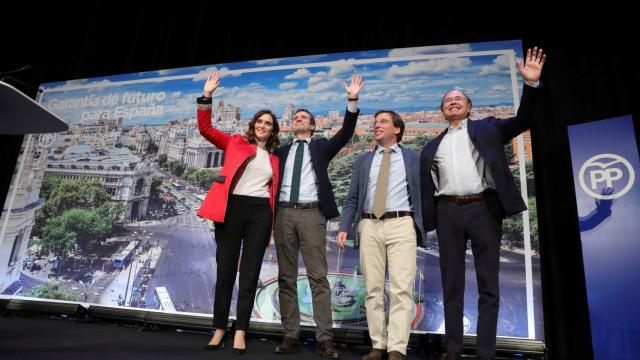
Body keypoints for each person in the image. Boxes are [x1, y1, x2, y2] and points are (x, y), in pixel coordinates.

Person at [420, 47, 546, 360]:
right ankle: (452, 348)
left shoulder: (488, 128)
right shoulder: (432, 146)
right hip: (447, 211)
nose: (453, 101)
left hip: (483, 209)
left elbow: (525, 118)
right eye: (448, 100)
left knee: (488, 284)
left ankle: (486, 353)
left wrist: (531, 85)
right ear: (443, 111)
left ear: (469, 107)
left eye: (458, 98)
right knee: (452, 285)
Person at [272, 75, 364, 359]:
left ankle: (324, 338)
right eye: (295, 117)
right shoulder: (281, 151)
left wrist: (351, 101)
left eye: (304, 117)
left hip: (312, 214)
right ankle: (291, 335)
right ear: (291, 124)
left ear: (312, 125)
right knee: (286, 277)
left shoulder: (321, 146)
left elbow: (346, 133)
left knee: (318, 278)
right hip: (284, 214)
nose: (299, 119)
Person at [197, 71, 280, 355]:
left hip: (259, 213)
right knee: (225, 272)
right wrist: (207, 96)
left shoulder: (274, 159)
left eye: (268, 124)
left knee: (250, 272)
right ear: (252, 125)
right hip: (232, 209)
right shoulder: (234, 143)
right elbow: (206, 130)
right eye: (260, 121)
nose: (263, 126)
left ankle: (241, 331)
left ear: (272, 131)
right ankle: (220, 328)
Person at [337, 110, 425, 360]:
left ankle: (397, 348)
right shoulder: (363, 161)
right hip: (369, 226)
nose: (377, 126)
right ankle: (378, 344)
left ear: (397, 129)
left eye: (383, 122)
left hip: (401, 224)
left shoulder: (413, 158)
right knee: (373, 289)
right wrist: (345, 226)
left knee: (401, 289)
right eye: (375, 123)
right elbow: (352, 197)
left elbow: (425, 193)